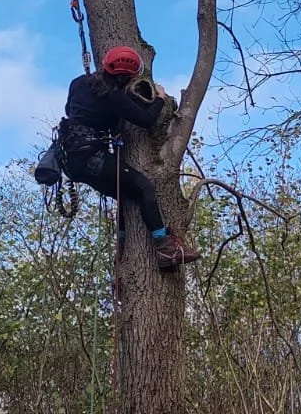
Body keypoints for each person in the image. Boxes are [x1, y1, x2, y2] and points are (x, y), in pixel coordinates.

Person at [60, 45, 200, 271]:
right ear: (129, 76)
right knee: (144, 187)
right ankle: (164, 247)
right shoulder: (114, 96)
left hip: (71, 159)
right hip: (91, 156)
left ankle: (122, 246)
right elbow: (146, 119)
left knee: (125, 194)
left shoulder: (78, 83)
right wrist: (160, 99)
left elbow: (71, 109)